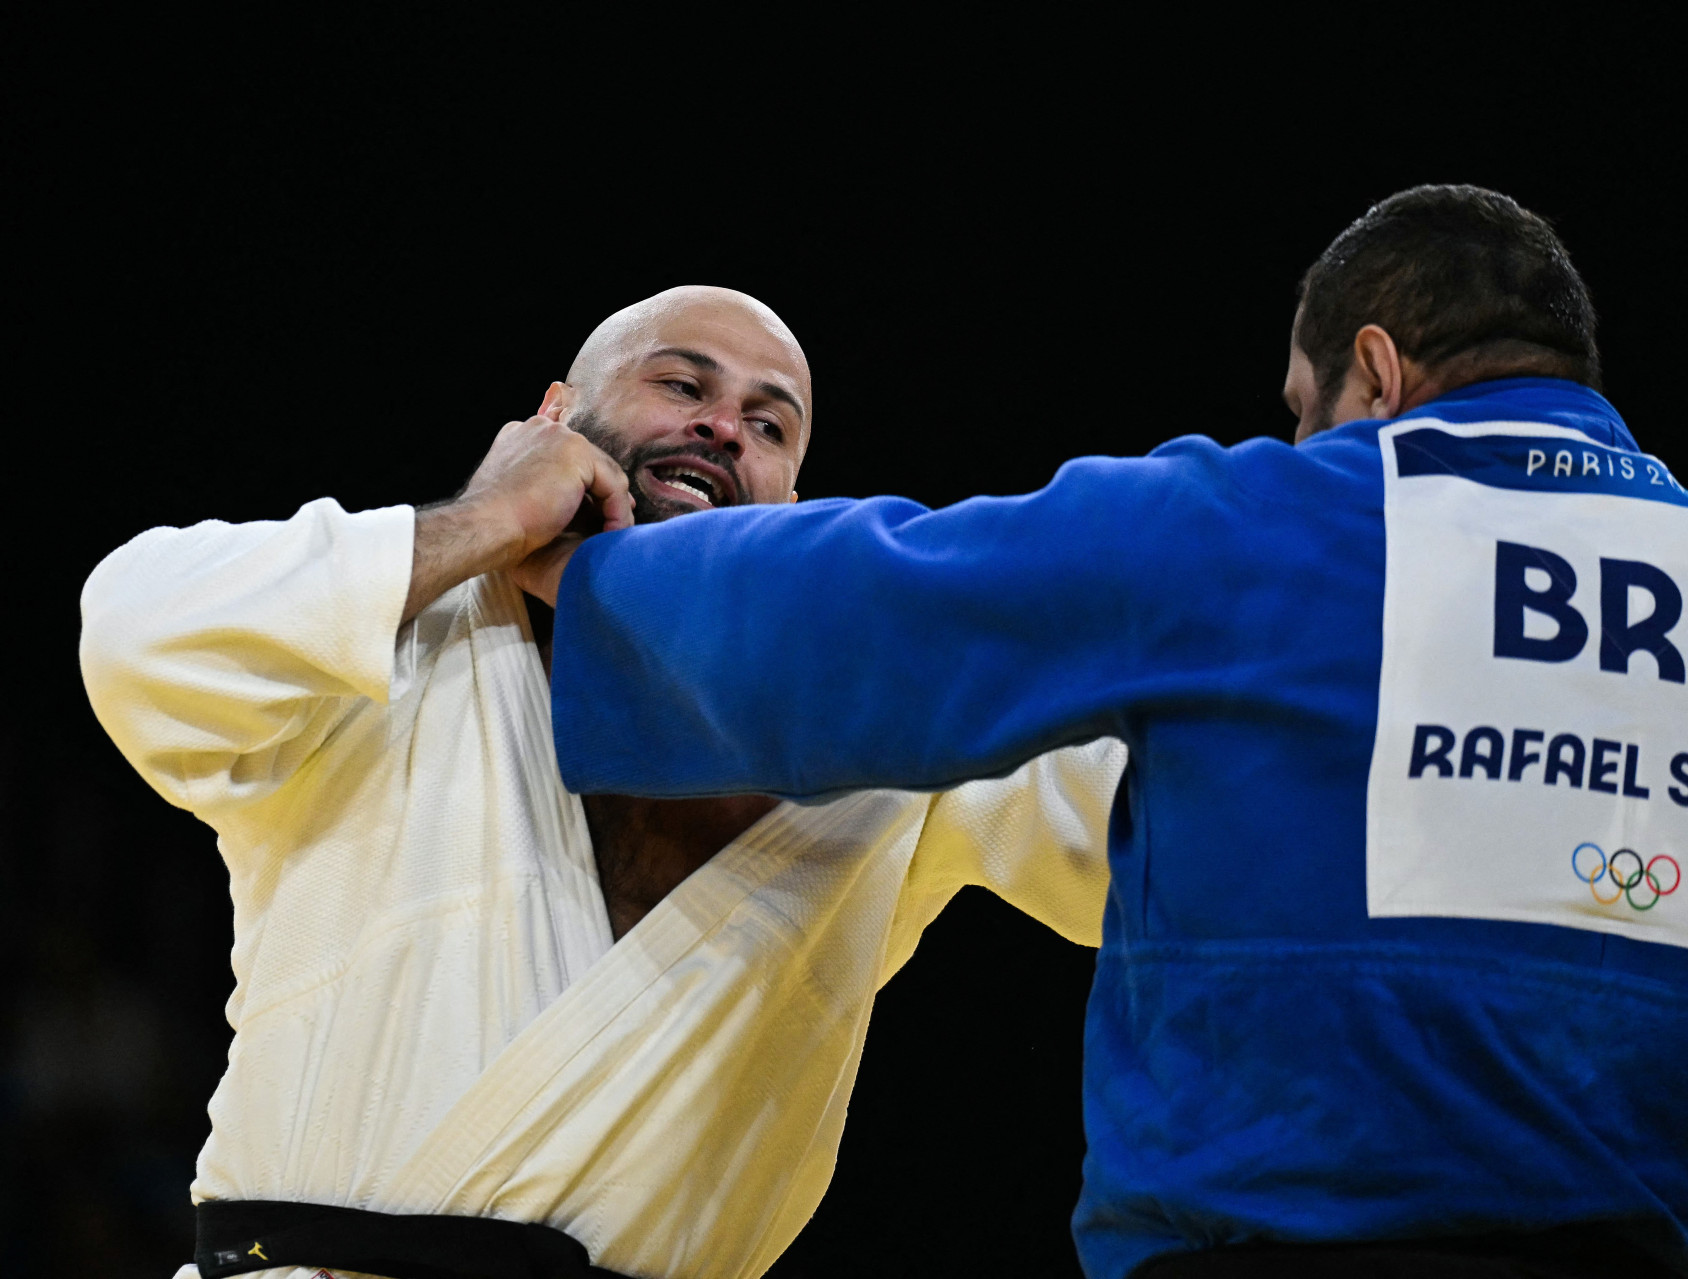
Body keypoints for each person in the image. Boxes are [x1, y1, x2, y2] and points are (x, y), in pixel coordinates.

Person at [540, 190, 1688, 1279]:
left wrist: (588, 566)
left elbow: (887, 600)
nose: (1297, 440)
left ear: (1377, 372)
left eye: (1303, 406)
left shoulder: (1280, 519)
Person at [79, 286, 1125, 1279]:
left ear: (792, 502)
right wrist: (487, 518)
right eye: (682, 384)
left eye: (769, 425)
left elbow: (1136, 835)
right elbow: (135, 638)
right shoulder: (390, 646)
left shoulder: (876, 734)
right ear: (555, 414)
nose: (724, 426)